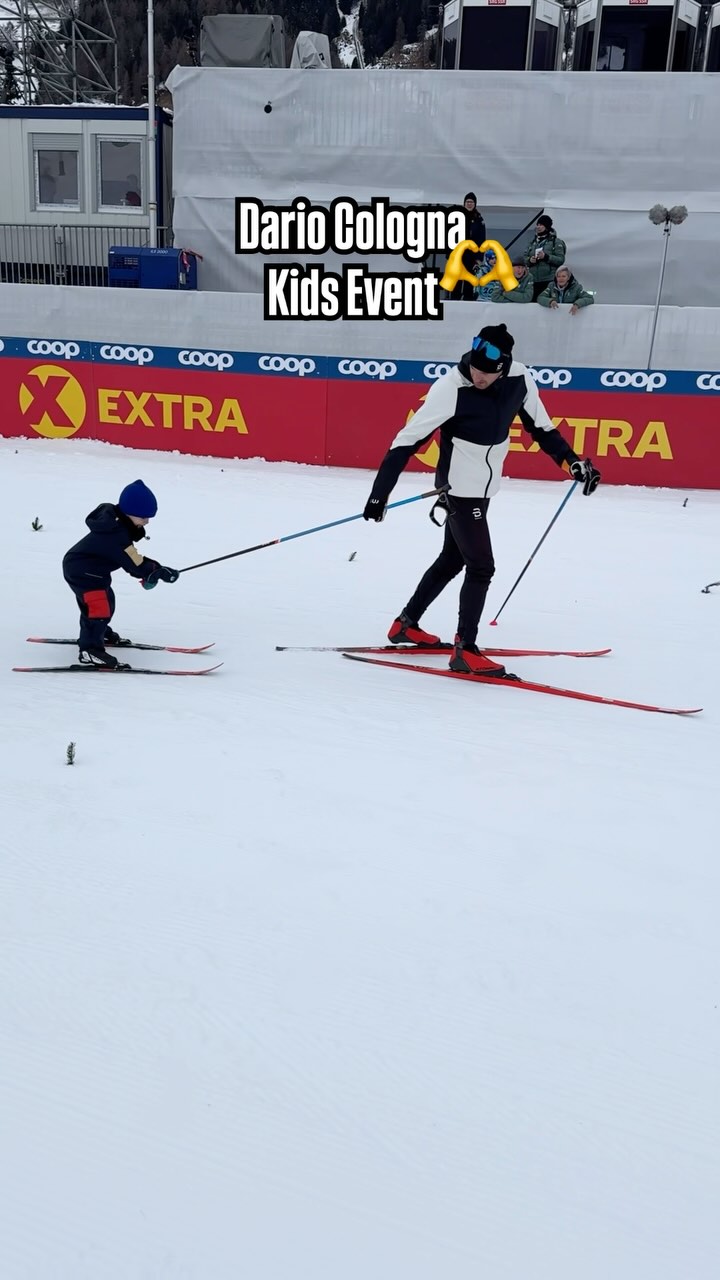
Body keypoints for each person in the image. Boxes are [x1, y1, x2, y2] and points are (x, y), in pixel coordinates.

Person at [362, 324, 601, 677]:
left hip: (485, 487)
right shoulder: (450, 388)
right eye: (474, 367)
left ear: (503, 366)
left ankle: (405, 625)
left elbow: (542, 428)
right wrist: (379, 495)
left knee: (452, 559)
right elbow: (406, 441)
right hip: (458, 488)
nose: (478, 376)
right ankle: (465, 650)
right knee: (481, 566)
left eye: (486, 372)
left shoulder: (519, 379)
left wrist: (572, 463)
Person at [62, 479, 180, 669]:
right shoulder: (115, 534)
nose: (146, 521)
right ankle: (90, 650)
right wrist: (157, 571)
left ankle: (98, 632)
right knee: (98, 607)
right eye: (143, 517)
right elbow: (133, 563)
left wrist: (156, 570)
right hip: (83, 572)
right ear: (129, 513)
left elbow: (131, 557)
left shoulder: (117, 526)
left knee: (104, 602)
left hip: (91, 571)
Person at [524, 215, 567, 301]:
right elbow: (525, 257)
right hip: (533, 280)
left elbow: (560, 260)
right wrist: (530, 260)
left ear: (547, 226)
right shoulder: (532, 242)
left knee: (547, 304)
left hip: (549, 280)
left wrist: (546, 257)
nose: (538, 227)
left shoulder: (556, 242)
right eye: (538, 224)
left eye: (541, 225)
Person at [454, 192, 487, 301]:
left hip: (471, 255)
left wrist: (479, 258)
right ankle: (454, 300)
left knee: (469, 280)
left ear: (475, 204)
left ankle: (468, 301)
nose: (469, 204)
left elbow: (481, 240)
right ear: (464, 203)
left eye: (471, 202)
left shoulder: (479, 219)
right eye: (467, 202)